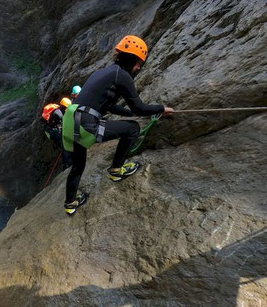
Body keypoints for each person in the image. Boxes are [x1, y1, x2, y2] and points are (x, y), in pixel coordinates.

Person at [61, 35, 174, 215]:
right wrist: (161, 108)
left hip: (70, 122)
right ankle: (116, 170)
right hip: (85, 124)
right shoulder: (122, 76)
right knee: (132, 129)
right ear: (135, 61)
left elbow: (109, 105)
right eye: (139, 63)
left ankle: (70, 203)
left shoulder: (105, 72)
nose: (138, 67)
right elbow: (139, 107)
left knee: (78, 166)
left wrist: (129, 113)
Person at [42, 98, 73, 170]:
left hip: (51, 129)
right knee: (63, 144)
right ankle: (68, 163)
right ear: (64, 107)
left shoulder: (59, 111)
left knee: (64, 144)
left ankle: (66, 163)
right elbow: (64, 123)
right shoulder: (59, 113)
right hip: (50, 132)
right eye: (67, 108)